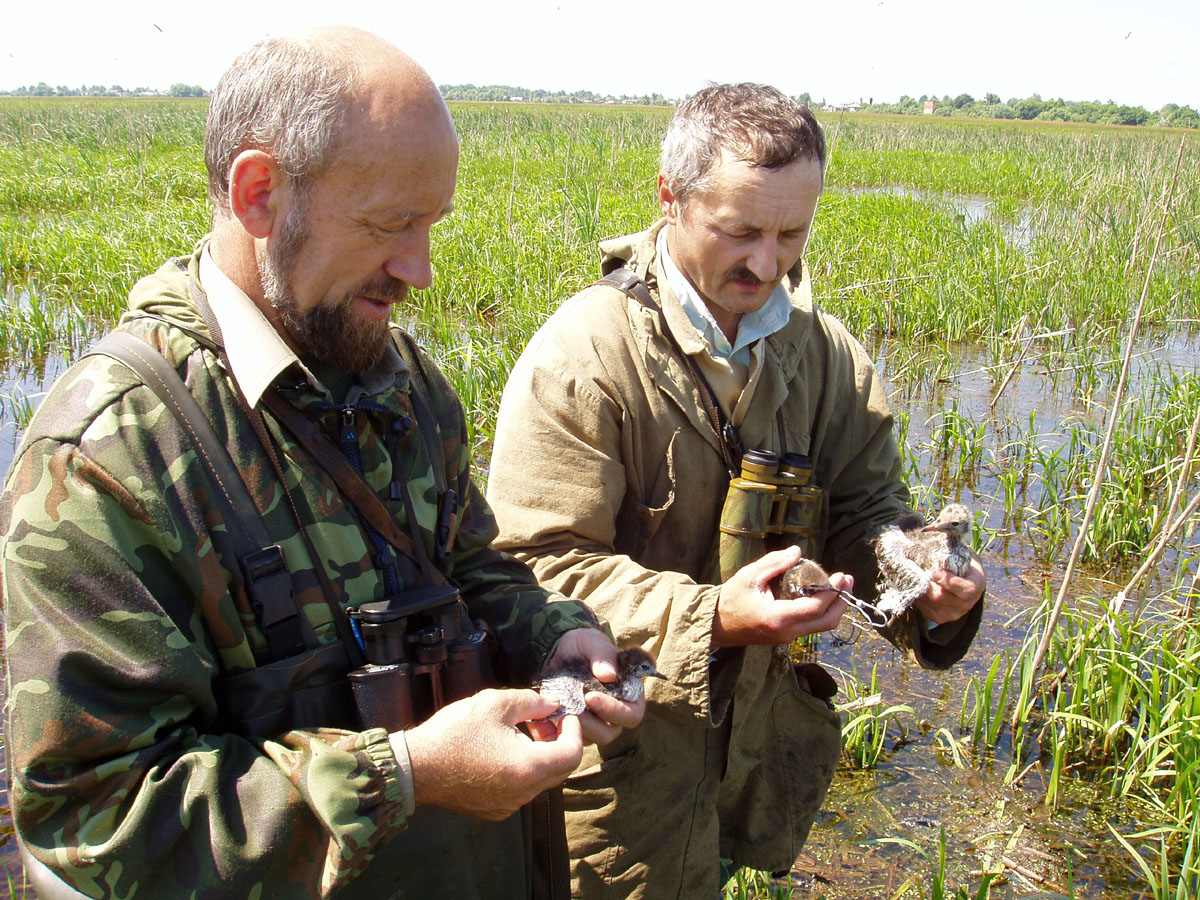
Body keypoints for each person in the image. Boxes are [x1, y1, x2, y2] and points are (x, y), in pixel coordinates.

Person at [0, 27, 644, 900]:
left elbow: (468, 568)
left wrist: (550, 635)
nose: (418, 269)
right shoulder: (110, 455)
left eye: (430, 226)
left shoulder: (404, 379)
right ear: (259, 192)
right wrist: (404, 775)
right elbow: (98, 818)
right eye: (388, 224)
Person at [484, 83, 987, 898]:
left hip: (750, 749)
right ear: (670, 199)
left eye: (792, 232)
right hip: (615, 762)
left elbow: (868, 512)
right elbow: (534, 567)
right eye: (741, 231)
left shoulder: (827, 356)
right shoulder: (583, 355)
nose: (768, 263)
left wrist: (921, 576)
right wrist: (715, 617)